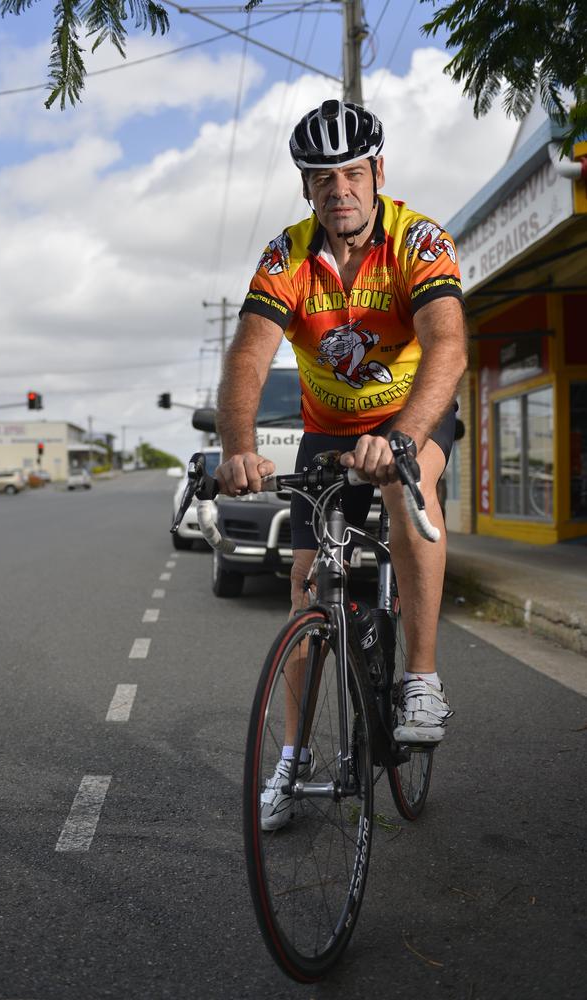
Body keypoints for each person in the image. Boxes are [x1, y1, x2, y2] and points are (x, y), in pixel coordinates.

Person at [215, 99, 467, 829]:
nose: (339, 190)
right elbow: (249, 356)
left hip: (409, 412)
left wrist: (404, 437)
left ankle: (420, 677)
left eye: (352, 172)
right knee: (305, 588)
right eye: (322, 178)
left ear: (377, 173)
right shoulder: (287, 256)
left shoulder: (416, 240)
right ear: (306, 188)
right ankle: (292, 759)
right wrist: (238, 450)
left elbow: (446, 346)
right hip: (328, 429)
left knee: (409, 484)